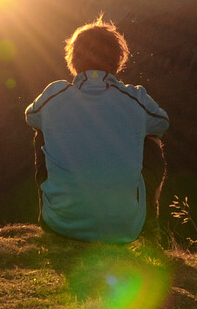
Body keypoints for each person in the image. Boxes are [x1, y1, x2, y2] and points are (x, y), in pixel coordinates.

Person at [24, 18, 170, 243]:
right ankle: (148, 223)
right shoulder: (135, 98)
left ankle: (51, 211)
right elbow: (161, 123)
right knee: (151, 138)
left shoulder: (55, 94)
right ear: (117, 59)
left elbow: (31, 116)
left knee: (42, 131)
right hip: (125, 230)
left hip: (59, 226)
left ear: (73, 59)